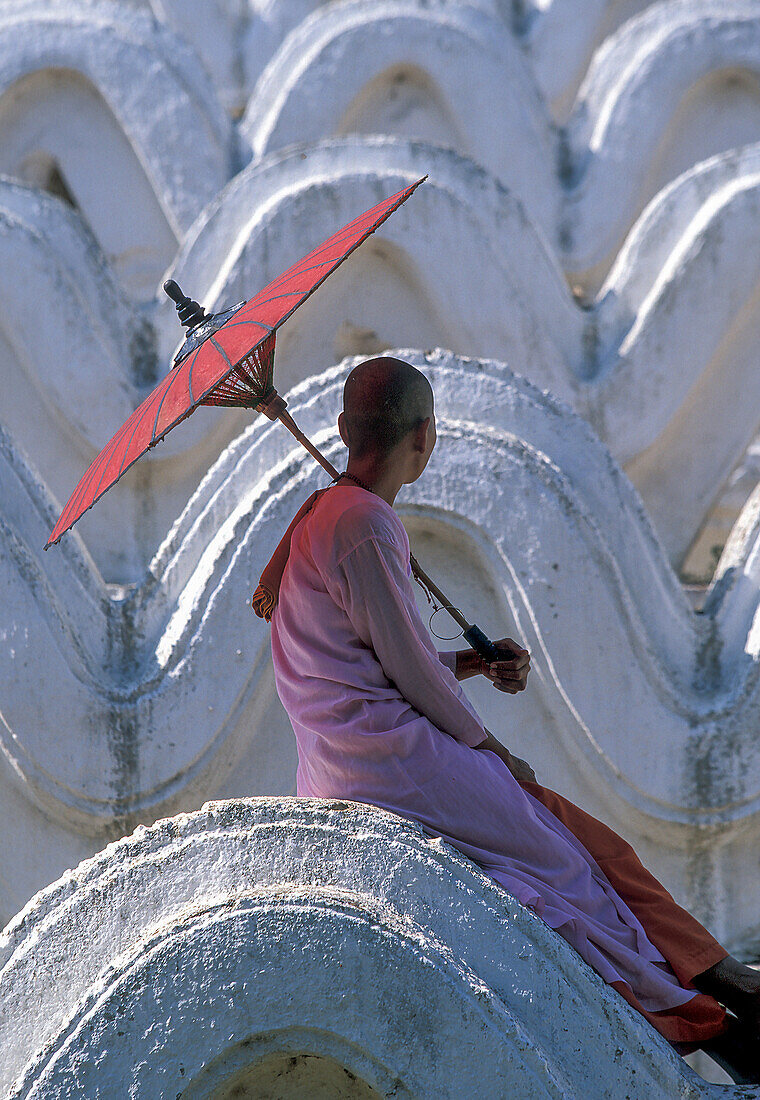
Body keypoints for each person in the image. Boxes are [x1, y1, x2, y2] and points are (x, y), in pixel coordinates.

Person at [255, 355, 760, 1083]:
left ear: (341, 429)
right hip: (390, 761)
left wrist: (473, 664)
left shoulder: (332, 515)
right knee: (567, 869)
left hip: (345, 758)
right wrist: (491, 747)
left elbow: (380, 654)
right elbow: (404, 662)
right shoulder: (361, 518)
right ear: (426, 436)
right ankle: (700, 1015)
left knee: (581, 839)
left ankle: (714, 977)